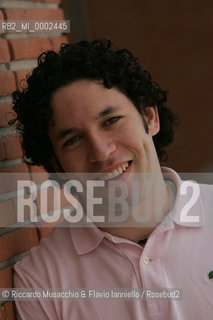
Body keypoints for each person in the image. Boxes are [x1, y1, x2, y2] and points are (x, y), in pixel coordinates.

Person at [11, 39, 213, 319]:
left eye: (111, 120)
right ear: (57, 164)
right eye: (73, 139)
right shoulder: (41, 281)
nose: (101, 151)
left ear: (149, 116)